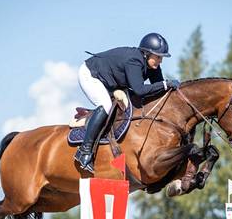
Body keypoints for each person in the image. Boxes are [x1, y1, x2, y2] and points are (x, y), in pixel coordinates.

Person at [75, 32, 181, 173]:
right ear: (146, 53)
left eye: (161, 58)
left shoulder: (152, 66)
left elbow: (158, 89)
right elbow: (140, 90)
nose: (160, 61)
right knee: (105, 105)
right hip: (91, 74)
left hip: (110, 80)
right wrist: (166, 84)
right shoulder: (134, 61)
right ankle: (84, 151)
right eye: (158, 57)